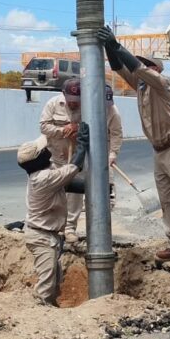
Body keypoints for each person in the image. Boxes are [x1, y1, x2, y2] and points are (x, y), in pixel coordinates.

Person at [99, 26, 170, 264]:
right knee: (167, 200)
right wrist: (109, 47)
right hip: (159, 151)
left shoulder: (160, 82)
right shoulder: (142, 87)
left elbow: (135, 66)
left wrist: (117, 45)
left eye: (146, 64)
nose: (141, 66)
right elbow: (119, 67)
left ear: (155, 68)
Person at [40, 79, 124, 243]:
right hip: (57, 155)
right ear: (63, 95)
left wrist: (112, 153)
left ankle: (71, 228)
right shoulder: (52, 104)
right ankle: (53, 227)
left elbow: (114, 133)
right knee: (55, 193)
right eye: (70, 101)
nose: (73, 104)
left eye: (76, 102)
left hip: (80, 156)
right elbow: (43, 127)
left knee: (75, 194)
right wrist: (63, 130)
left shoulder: (93, 107)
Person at [17, 123, 89, 306]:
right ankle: (39, 315)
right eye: (44, 150)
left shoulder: (42, 173)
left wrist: (93, 188)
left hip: (46, 235)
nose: (47, 148)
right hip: (41, 237)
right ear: (40, 158)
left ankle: (49, 309)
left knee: (54, 283)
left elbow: (65, 184)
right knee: (46, 287)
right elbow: (75, 167)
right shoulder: (43, 178)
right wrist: (82, 143)